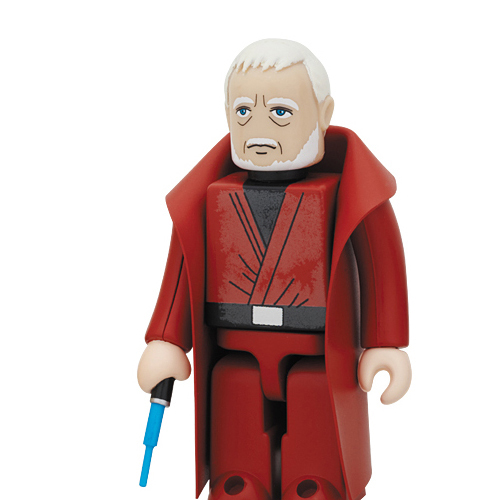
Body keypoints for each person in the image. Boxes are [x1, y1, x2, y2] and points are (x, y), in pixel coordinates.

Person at [137, 39, 411, 500]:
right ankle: (239, 478)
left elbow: (380, 265)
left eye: (281, 112)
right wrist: (166, 338)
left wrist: (385, 342)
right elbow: (184, 268)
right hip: (237, 344)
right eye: (244, 112)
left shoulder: (350, 193)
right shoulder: (206, 195)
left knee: (314, 393)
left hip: (317, 349)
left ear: (323, 115)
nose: (259, 129)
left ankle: (315, 480)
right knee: (233, 388)